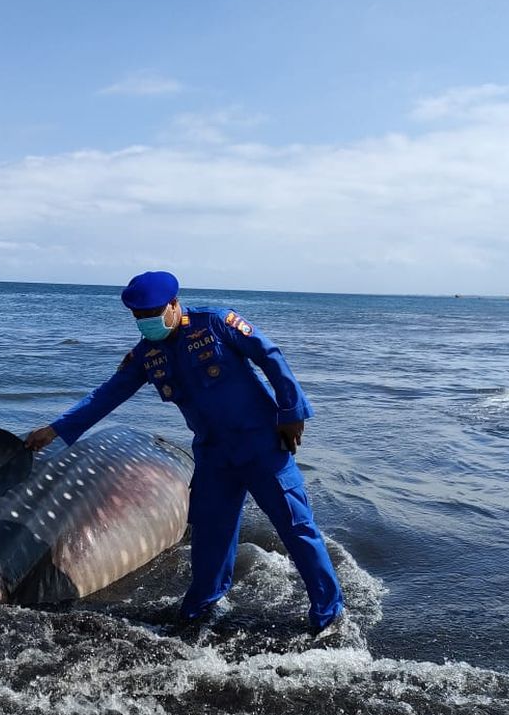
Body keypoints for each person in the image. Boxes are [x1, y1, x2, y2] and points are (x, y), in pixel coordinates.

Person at [25, 271, 346, 637]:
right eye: (139, 317)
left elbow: (269, 355)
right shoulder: (148, 355)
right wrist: (55, 429)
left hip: (261, 445)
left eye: (153, 313)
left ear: (175, 304)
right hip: (212, 455)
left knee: (295, 527)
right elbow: (106, 395)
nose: (147, 322)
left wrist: (291, 412)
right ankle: (201, 608)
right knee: (210, 534)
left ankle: (328, 613)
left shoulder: (217, 323)